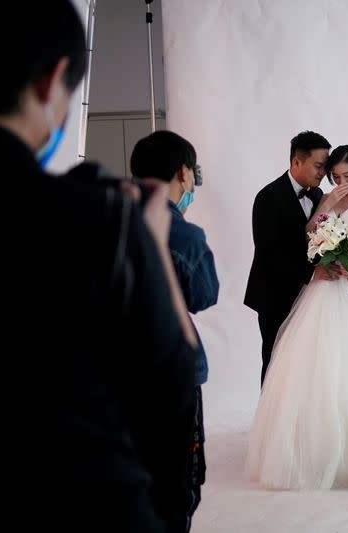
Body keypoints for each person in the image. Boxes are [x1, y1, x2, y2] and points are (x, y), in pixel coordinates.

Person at [0, 2, 198, 531]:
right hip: (84, 495)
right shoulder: (102, 216)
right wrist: (150, 244)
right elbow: (172, 381)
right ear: (53, 79)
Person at [245, 145, 348, 490]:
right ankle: (314, 445)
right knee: (318, 364)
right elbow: (309, 236)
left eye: (347, 175)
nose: (341, 182)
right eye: (335, 177)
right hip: (326, 286)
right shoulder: (327, 198)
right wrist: (327, 206)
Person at [131, 130, 220, 530]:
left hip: (113, 373)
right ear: (183, 173)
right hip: (171, 373)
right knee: (178, 484)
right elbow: (204, 294)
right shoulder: (182, 232)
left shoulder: (103, 214)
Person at [244, 131, 330, 384]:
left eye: (325, 167)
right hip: (274, 295)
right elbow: (268, 252)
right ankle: (269, 422)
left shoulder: (317, 195)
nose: (322, 173)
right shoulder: (268, 197)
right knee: (275, 358)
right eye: (318, 166)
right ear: (296, 162)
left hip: (310, 295)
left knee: (305, 360)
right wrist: (313, 272)